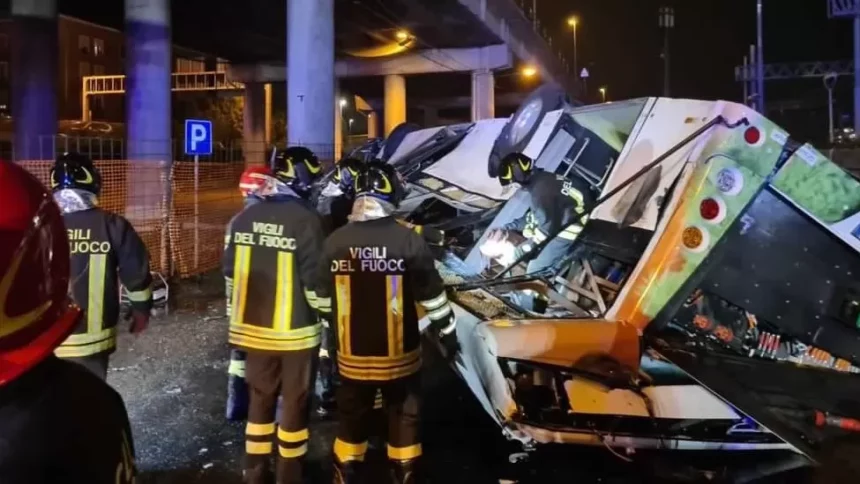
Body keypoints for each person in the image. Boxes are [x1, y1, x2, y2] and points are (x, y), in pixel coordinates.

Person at [315, 160, 460, 484]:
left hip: (351, 356)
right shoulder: (407, 240)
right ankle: (404, 473)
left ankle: (346, 472)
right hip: (400, 357)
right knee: (404, 416)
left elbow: (321, 298)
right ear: (388, 192)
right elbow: (432, 295)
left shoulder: (336, 241)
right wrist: (447, 331)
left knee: (351, 418)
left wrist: (332, 333)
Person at [0, 161, 137, 483]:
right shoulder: (95, 405)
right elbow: (135, 270)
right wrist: (142, 305)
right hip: (88, 337)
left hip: (45, 337)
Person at [223, 146, 327, 484]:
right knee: (295, 404)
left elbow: (230, 274)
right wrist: (332, 319)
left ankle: (254, 471)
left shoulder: (242, 220)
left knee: (260, 401)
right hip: (296, 335)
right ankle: (289, 473)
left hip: (253, 332)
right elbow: (316, 284)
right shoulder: (306, 220)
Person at [50, 152, 153, 379]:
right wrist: (141, 311)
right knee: (88, 406)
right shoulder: (112, 225)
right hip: (92, 343)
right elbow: (136, 275)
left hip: (45, 342)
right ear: (93, 182)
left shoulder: (40, 227)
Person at [487, 152, 594, 310]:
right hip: (568, 218)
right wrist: (507, 228)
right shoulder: (543, 180)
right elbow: (536, 216)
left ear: (519, 176)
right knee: (532, 255)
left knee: (534, 271)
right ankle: (537, 304)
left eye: (514, 183)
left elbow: (546, 230)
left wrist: (520, 251)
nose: (517, 188)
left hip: (570, 227)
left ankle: (534, 310)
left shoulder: (540, 192)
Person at [226, 165, 276, 422]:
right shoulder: (270, 220)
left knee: (240, 355)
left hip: (240, 301)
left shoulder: (236, 221)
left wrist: (230, 307)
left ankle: (236, 404)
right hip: (265, 300)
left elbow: (229, 269)